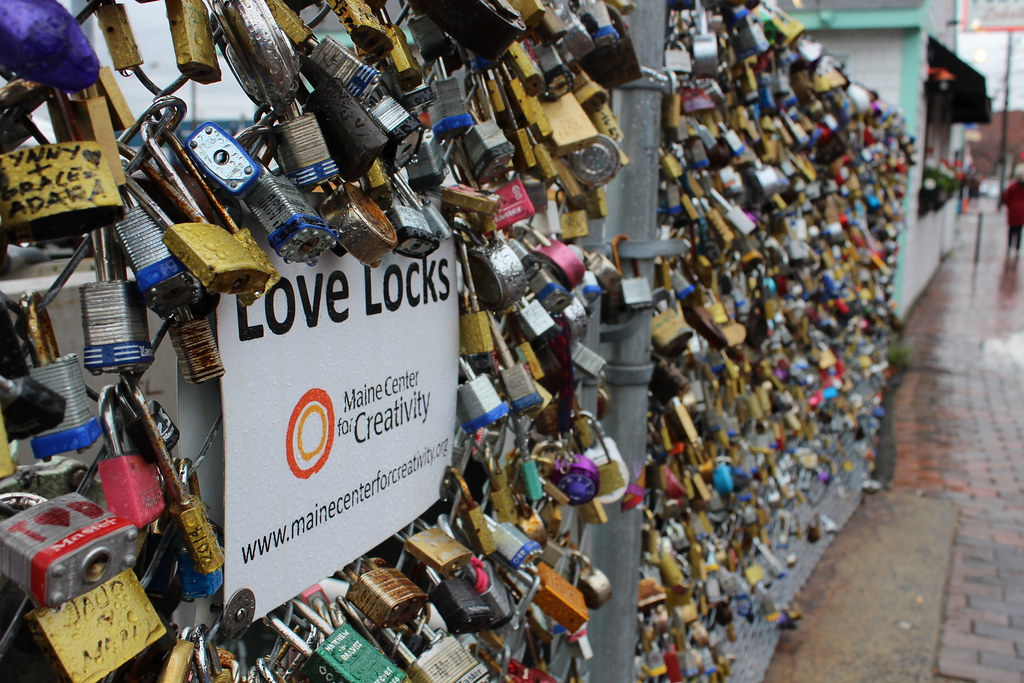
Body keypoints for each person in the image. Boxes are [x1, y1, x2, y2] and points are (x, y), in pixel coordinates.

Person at [1001, 167, 1024, 256]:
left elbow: (1006, 198)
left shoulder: (1012, 187)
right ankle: (1017, 248)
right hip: (1022, 210)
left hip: (1013, 209)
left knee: (1011, 229)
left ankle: (1010, 246)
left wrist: (1010, 205)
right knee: (1019, 230)